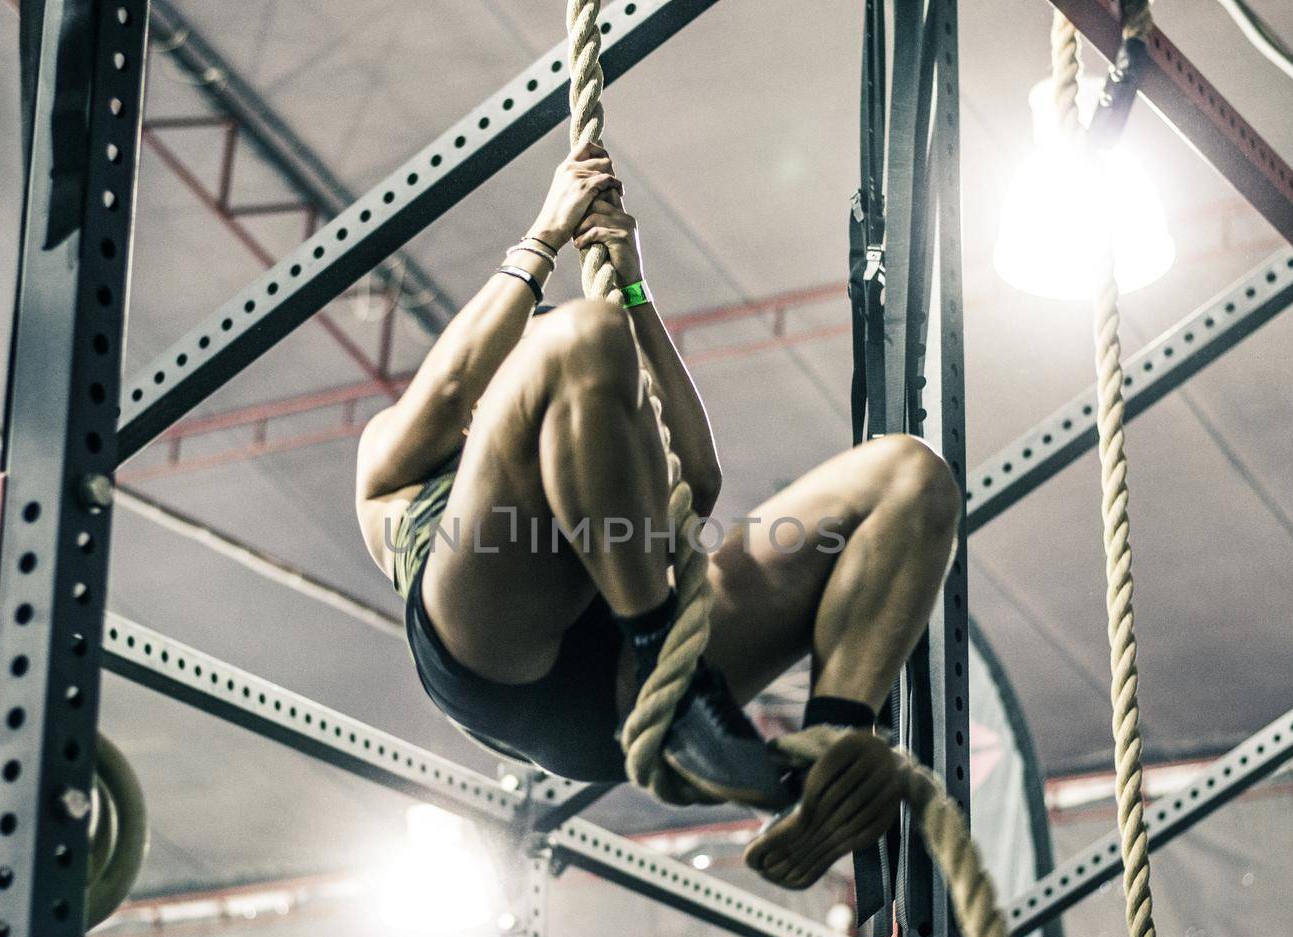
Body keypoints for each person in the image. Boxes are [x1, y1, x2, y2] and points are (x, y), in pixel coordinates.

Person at [355, 142, 959, 889]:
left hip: (623, 662)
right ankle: (669, 678)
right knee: (578, 334)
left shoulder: (596, 465)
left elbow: (696, 482)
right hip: (498, 653)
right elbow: (450, 392)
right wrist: (543, 239)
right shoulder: (394, 455)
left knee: (910, 478)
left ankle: (826, 761)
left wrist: (635, 292)